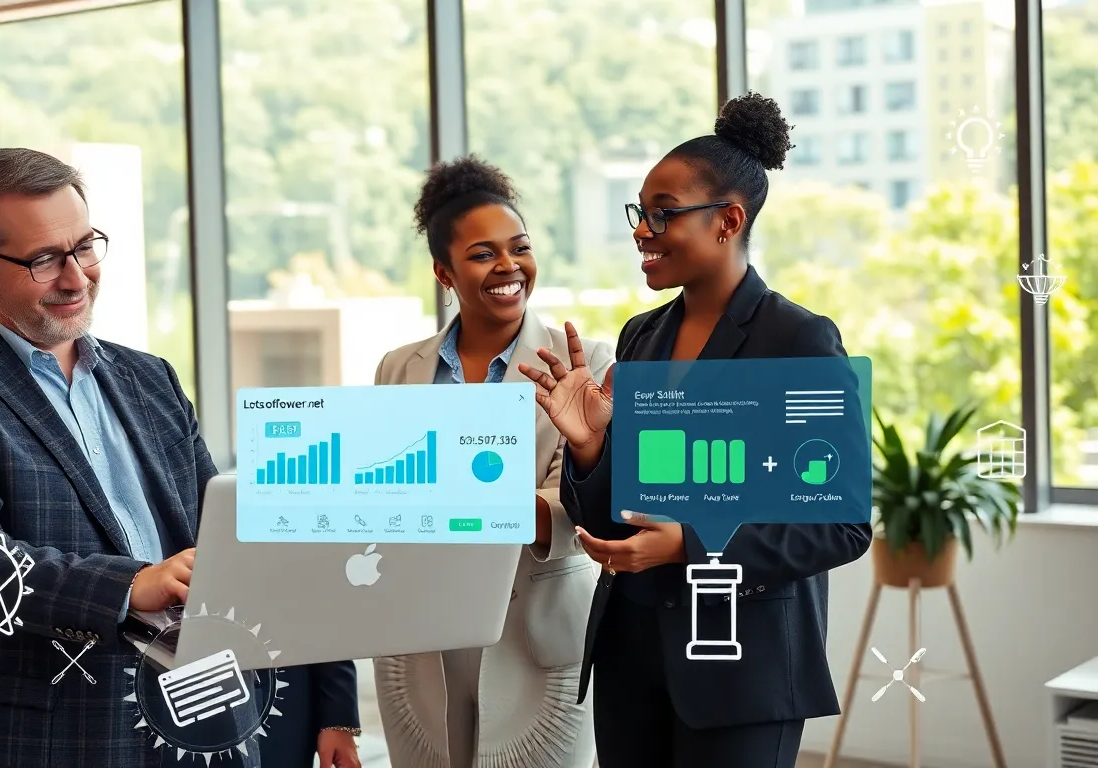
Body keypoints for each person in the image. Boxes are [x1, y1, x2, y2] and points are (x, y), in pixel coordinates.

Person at [0, 147, 362, 768]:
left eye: (84, 247)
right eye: (44, 259)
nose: (76, 277)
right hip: (46, 738)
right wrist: (131, 585)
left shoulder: (151, 378)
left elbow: (231, 543)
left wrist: (330, 699)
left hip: (198, 719)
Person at [519, 93, 873, 767]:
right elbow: (616, 517)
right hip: (631, 656)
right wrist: (589, 449)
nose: (642, 232)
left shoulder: (797, 340)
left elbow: (841, 526)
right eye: (639, 214)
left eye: (663, 214)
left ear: (728, 220)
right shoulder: (642, 338)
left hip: (740, 665)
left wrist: (689, 544)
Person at [372, 155, 612, 768]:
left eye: (520, 248)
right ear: (444, 272)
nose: (509, 266)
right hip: (419, 637)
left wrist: (465, 503)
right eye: (483, 254)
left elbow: (582, 508)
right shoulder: (398, 368)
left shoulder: (586, 363)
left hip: (539, 638)